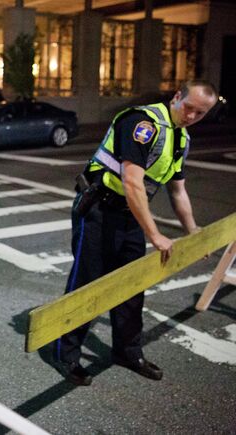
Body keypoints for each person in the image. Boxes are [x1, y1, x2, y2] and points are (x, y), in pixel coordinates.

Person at [53, 80, 218, 386]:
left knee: (132, 287)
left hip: (129, 216)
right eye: (190, 107)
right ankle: (67, 354)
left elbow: (178, 192)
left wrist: (194, 231)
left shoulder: (181, 138)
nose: (192, 116)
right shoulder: (143, 123)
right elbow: (132, 183)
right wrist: (155, 235)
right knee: (87, 283)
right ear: (176, 96)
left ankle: (127, 352)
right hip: (99, 210)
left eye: (201, 113)